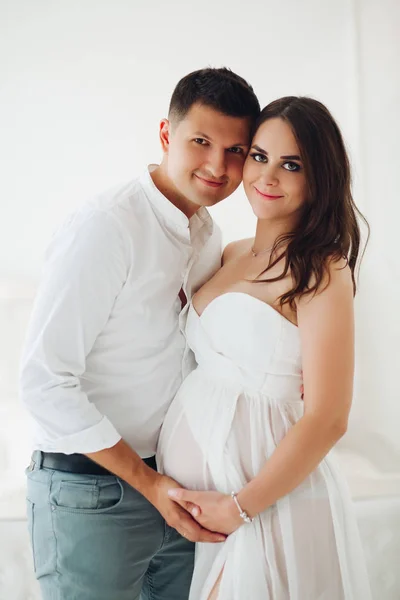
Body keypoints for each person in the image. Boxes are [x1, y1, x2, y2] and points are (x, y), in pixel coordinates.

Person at [19, 67, 260, 600]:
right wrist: (149, 484)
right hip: (92, 488)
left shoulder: (209, 233)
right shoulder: (106, 227)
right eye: (201, 141)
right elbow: (43, 381)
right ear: (165, 135)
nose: (218, 165)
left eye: (237, 150)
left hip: (178, 488)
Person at [157, 96, 373, 599]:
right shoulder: (227, 253)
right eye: (259, 156)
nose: (267, 177)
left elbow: (328, 417)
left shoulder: (322, 270)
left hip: (265, 502)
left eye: (291, 165)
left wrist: (240, 506)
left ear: (320, 177)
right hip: (209, 513)